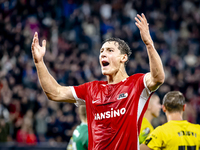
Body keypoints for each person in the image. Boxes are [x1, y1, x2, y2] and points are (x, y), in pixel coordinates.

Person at [31, 13, 165, 150]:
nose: (103, 54)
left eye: (110, 50)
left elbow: (158, 77)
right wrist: (39, 62)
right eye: (101, 51)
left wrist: (149, 44)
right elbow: (55, 93)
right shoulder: (91, 89)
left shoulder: (136, 84)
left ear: (123, 58)